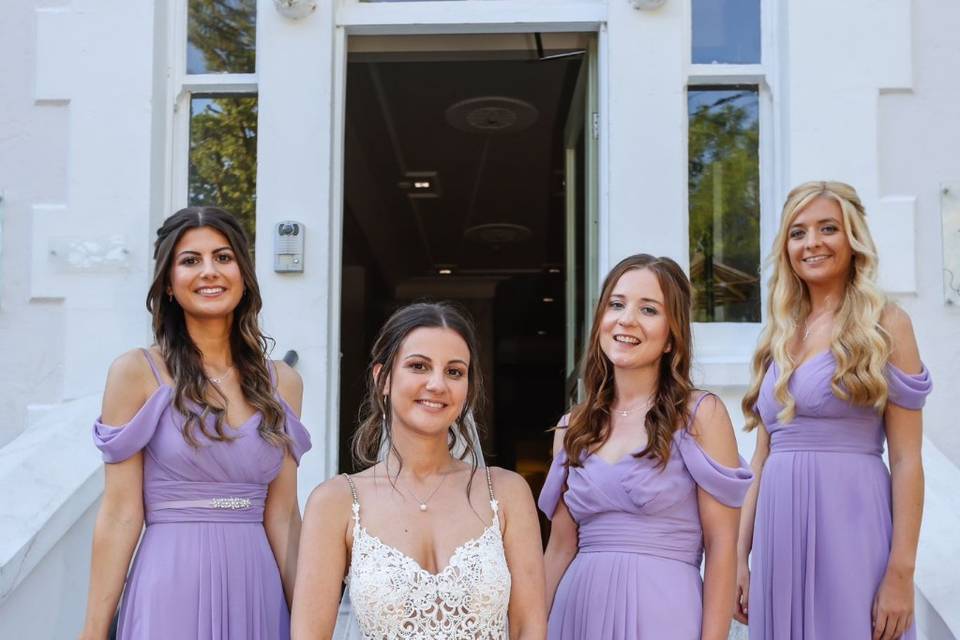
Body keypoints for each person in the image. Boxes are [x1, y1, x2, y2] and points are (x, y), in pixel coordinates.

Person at [81, 207, 311, 640]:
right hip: (169, 589)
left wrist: (311, 623)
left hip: (257, 591)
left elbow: (282, 516)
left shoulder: (284, 382)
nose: (210, 271)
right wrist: (92, 632)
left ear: (243, 274)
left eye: (223, 258)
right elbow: (120, 515)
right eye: (190, 260)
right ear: (168, 283)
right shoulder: (136, 372)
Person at [736, 181, 931, 640]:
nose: (812, 243)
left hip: (853, 527)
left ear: (853, 238)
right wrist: (739, 559)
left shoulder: (887, 324)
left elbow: (906, 460)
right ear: (786, 246)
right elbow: (760, 460)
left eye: (828, 228)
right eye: (798, 232)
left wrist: (901, 573)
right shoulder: (779, 333)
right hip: (778, 536)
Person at [290, 302, 546, 640]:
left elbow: (529, 627)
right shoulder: (336, 501)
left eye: (454, 372)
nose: (437, 384)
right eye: (419, 366)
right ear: (382, 378)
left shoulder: (507, 492)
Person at [540, 254, 752, 640]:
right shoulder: (573, 426)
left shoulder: (700, 416)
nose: (626, 319)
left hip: (665, 615)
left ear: (672, 335)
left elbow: (721, 547)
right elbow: (558, 548)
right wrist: (528, 629)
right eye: (616, 304)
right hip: (577, 614)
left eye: (649, 309)